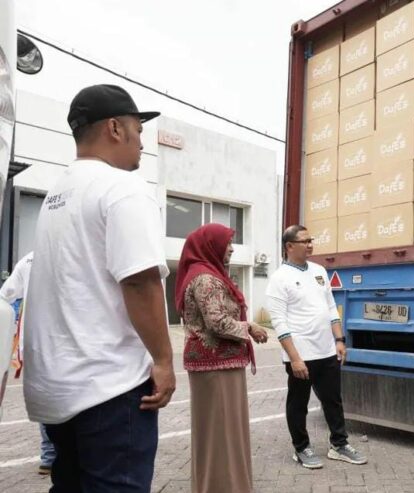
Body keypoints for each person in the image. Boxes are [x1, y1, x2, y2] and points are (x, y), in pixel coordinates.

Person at [23, 84, 175, 491]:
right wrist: (163, 360)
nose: (142, 141)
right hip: (111, 390)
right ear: (114, 128)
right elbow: (141, 281)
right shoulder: (121, 189)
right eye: (138, 129)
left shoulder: (56, 194)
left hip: (57, 392)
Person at [175, 223, 268, 493]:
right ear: (210, 245)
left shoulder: (205, 274)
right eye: (226, 243)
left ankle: (221, 485)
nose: (231, 249)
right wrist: (249, 327)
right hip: (215, 365)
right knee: (221, 432)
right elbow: (216, 322)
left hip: (216, 364)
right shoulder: (206, 278)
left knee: (220, 431)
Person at [265, 225, 367, 469]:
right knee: (298, 403)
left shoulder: (320, 271)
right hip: (300, 354)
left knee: (333, 400)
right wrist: (294, 358)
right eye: (304, 241)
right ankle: (301, 448)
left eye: (311, 239)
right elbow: (279, 322)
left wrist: (339, 340)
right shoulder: (280, 278)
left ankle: (339, 445)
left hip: (326, 351)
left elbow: (331, 307)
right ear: (289, 246)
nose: (310, 244)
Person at [0, 251, 55, 476]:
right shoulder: (75, 250)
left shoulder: (28, 260)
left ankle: (49, 456)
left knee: (44, 396)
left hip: (32, 340)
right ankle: (58, 454)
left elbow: (6, 294)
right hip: (65, 341)